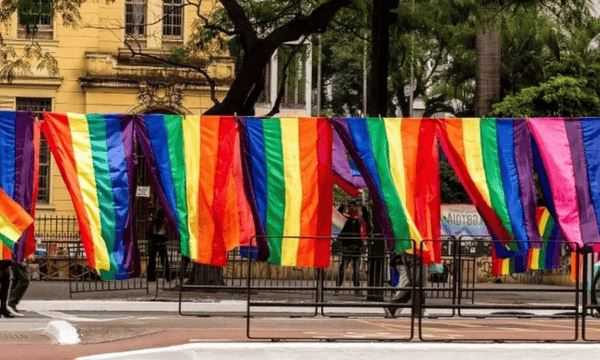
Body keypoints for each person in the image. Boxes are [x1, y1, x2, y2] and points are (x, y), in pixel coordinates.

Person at [336, 201, 366, 290]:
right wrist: (342, 205)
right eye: (350, 207)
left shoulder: (360, 220)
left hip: (357, 248)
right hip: (347, 247)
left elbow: (366, 219)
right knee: (343, 268)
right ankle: (337, 287)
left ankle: (356, 289)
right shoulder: (347, 219)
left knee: (356, 270)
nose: (352, 208)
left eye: (353, 207)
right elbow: (338, 214)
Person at [147, 208, 170, 282]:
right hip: (160, 241)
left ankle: (151, 277)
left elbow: (149, 232)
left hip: (154, 241)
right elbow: (166, 233)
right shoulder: (163, 222)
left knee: (152, 261)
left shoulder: (154, 221)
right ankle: (168, 276)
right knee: (164, 261)